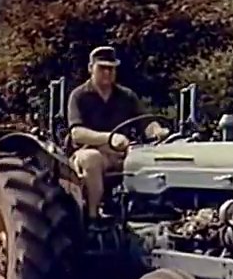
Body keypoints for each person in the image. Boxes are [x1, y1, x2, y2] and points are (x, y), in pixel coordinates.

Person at [67, 46, 169, 220]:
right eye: (102, 68)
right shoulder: (79, 96)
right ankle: (93, 218)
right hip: (90, 151)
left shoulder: (126, 95)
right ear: (91, 68)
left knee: (153, 159)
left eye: (111, 68)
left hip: (123, 153)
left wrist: (157, 130)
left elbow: (145, 121)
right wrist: (110, 138)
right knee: (91, 159)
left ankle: (152, 214)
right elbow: (77, 133)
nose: (107, 72)